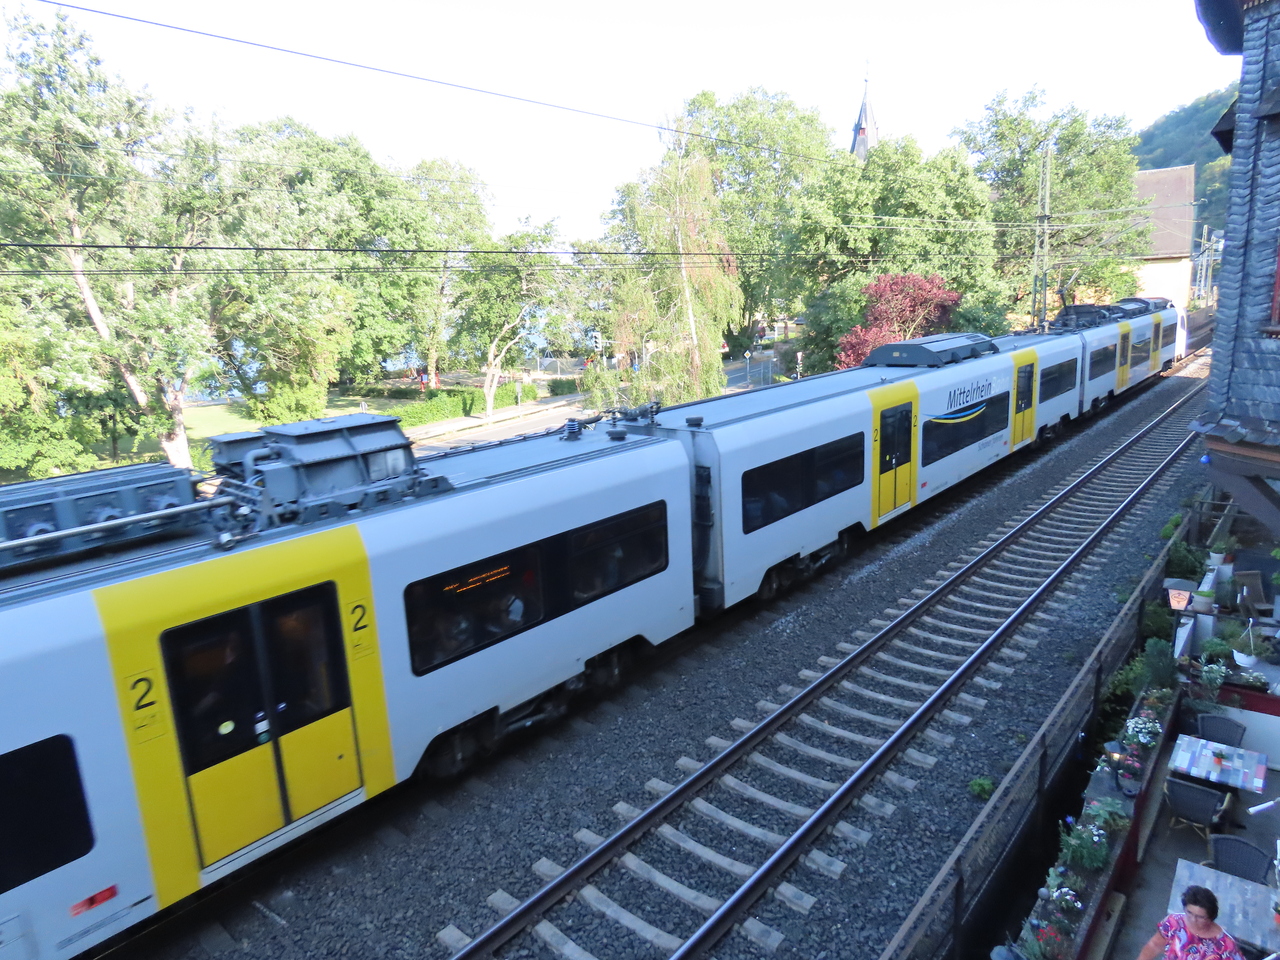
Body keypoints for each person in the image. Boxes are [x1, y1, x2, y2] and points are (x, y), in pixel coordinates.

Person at [1136, 885, 1245, 960]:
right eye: (1189, 912)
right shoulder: (1173, 922)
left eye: (1200, 917)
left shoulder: (1225, 944)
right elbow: (1154, 946)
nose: (1193, 919)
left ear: (1211, 917)